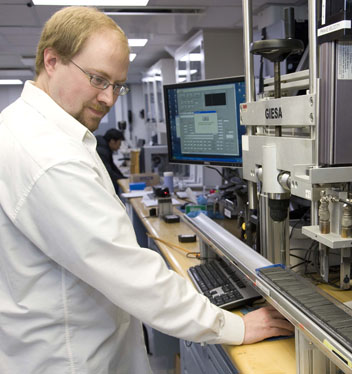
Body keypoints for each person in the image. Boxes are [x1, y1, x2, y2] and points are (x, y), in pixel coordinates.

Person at [0, 6, 294, 373]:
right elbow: (133, 277)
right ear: (52, 60)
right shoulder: (50, 156)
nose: (109, 98)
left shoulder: (19, 125)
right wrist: (235, 325)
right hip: (70, 358)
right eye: (97, 79)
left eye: (117, 85)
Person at [96, 128, 126, 193]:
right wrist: (121, 179)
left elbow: (112, 165)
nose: (119, 146)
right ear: (112, 141)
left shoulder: (105, 147)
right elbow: (108, 172)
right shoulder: (102, 151)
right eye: (119, 143)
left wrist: (123, 177)